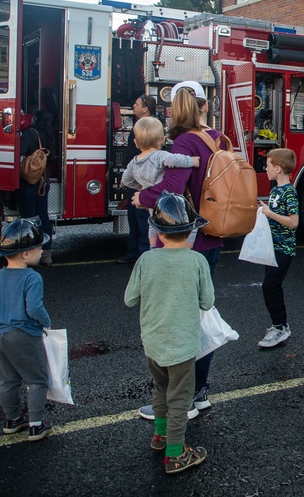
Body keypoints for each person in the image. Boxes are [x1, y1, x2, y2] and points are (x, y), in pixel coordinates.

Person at [133, 82, 226, 416]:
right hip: (212, 233)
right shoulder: (219, 137)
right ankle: (199, 391)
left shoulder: (184, 143)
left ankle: (183, 399)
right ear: (204, 104)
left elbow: (173, 189)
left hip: (185, 239)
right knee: (200, 315)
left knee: (181, 321)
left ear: (177, 107)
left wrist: (141, 196)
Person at [124, 191, 213, 474]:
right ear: (191, 232)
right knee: (179, 399)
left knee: (160, 389)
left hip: (153, 343)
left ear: (159, 233)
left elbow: (129, 299)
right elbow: (207, 302)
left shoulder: (145, 261)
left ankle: (160, 436)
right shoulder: (197, 261)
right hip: (183, 345)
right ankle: (176, 454)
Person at [0, 218, 54, 441]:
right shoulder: (32, 277)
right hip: (23, 335)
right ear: (25, 254)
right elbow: (34, 307)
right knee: (37, 380)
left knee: (8, 381)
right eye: (39, 247)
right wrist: (46, 322)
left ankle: (12, 420)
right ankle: (36, 425)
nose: (42, 250)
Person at [120, 116, 199, 248]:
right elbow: (175, 160)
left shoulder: (134, 162)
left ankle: (152, 246)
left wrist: (141, 187)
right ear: (163, 140)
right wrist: (192, 161)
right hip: (166, 198)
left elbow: (125, 180)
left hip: (151, 201)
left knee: (153, 222)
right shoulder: (159, 156)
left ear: (135, 143)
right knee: (191, 219)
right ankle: (189, 244)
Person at [255, 148, 299, 348]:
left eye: (268, 165)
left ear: (278, 169)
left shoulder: (289, 193)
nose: (265, 169)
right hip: (272, 248)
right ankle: (280, 325)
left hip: (284, 249)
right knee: (273, 286)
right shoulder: (275, 191)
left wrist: (269, 214)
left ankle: (279, 327)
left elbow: (293, 222)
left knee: (270, 286)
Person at [117, 94, 159, 264]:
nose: (133, 106)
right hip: (134, 178)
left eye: (137, 104)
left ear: (146, 108)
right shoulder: (139, 125)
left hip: (144, 180)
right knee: (133, 218)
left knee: (143, 220)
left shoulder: (152, 127)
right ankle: (132, 252)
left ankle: (143, 256)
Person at [18, 111, 56, 266]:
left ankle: (30, 254)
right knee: (43, 216)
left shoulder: (29, 134)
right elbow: (52, 158)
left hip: (29, 180)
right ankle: (46, 255)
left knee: (29, 218)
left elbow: (19, 152)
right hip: (44, 179)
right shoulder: (50, 136)